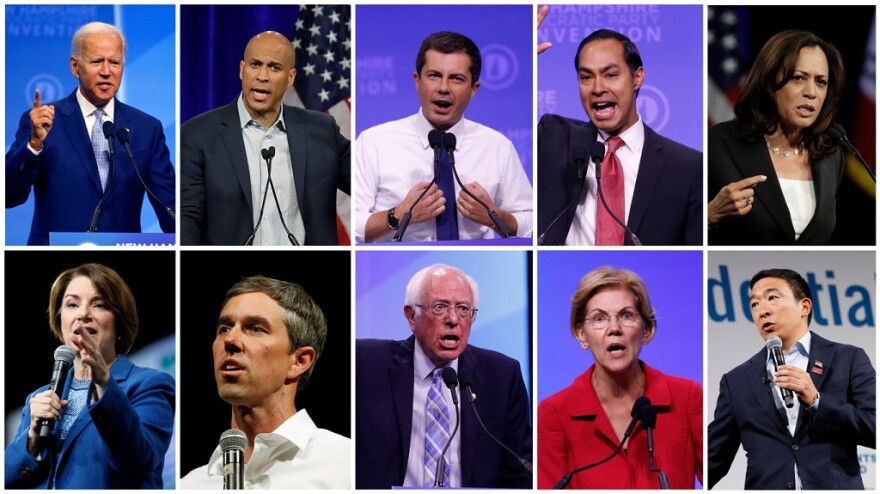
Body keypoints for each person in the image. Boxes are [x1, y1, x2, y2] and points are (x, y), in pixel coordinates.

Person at [355, 264, 532, 488]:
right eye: (440, 307)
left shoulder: (503, 376)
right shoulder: (366, 364)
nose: (453, 319)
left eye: (463, 309)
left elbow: (520, 470)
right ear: (411, 316)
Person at [537, 10, 701, 246]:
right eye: (586, 77)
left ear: (637, 78)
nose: (597, 88)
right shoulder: (554, 137)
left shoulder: (687, 167)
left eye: (611, 74)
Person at [5, 263, 175, 488]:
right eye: (72, 304)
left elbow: (138, 463)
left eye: (99, 305)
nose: (83, 314)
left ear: (119, 320)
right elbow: (8, 480)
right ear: (60, 319)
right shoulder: (38, 400)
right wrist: (32, 436)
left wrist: (104, 382)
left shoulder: (150, 385)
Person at [5, 22, 176, 246]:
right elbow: (8, 195)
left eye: (114, 62)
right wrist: (34, 144)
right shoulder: (42, 122)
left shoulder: (147, 128)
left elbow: (171, 208)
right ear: (75, 67)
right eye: (97, 61)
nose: (107, 71)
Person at [355, 31, 533, 243]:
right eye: (434, 75)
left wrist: (495, 217)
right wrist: (398, 215)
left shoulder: (497, 146)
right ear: (417, 80)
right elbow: (354, 226)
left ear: (474, 89)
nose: (443, 88)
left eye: (456, 79)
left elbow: (531, 226)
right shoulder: (375, 142)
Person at [708, 268, 875, 489]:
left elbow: (874, 428)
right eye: (754, 304)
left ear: (804, 306)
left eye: (772, 298)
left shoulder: (848, 358)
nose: (762, 311)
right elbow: (713, 459)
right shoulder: (736, 380)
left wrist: (817, 401)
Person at [537, 267, 703, 489]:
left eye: (626, 315)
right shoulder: (555, 413)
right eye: (599, 318)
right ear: (581, 334)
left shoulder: (687, 398)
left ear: (647, 330)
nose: (614, 329)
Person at [180, 31, 350, 246]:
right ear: (242, 70)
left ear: (291, 78)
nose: (262, 76)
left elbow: (365, 178)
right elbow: (187, 219)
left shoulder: (321, 130)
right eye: (255, 64)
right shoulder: (197, 135)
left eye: (274, 67)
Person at [180, 276, 350, 489]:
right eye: (224, 328)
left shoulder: (346, 465)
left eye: (255, 328)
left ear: (299, 361)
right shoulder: (190, 485)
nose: (230, 340)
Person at [708, 30, 847, 245]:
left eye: (821, 82)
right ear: (769, 81)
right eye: (799, 78)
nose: (811, 92)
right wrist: (710, 216)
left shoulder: (831, 155)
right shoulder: (718, 144)